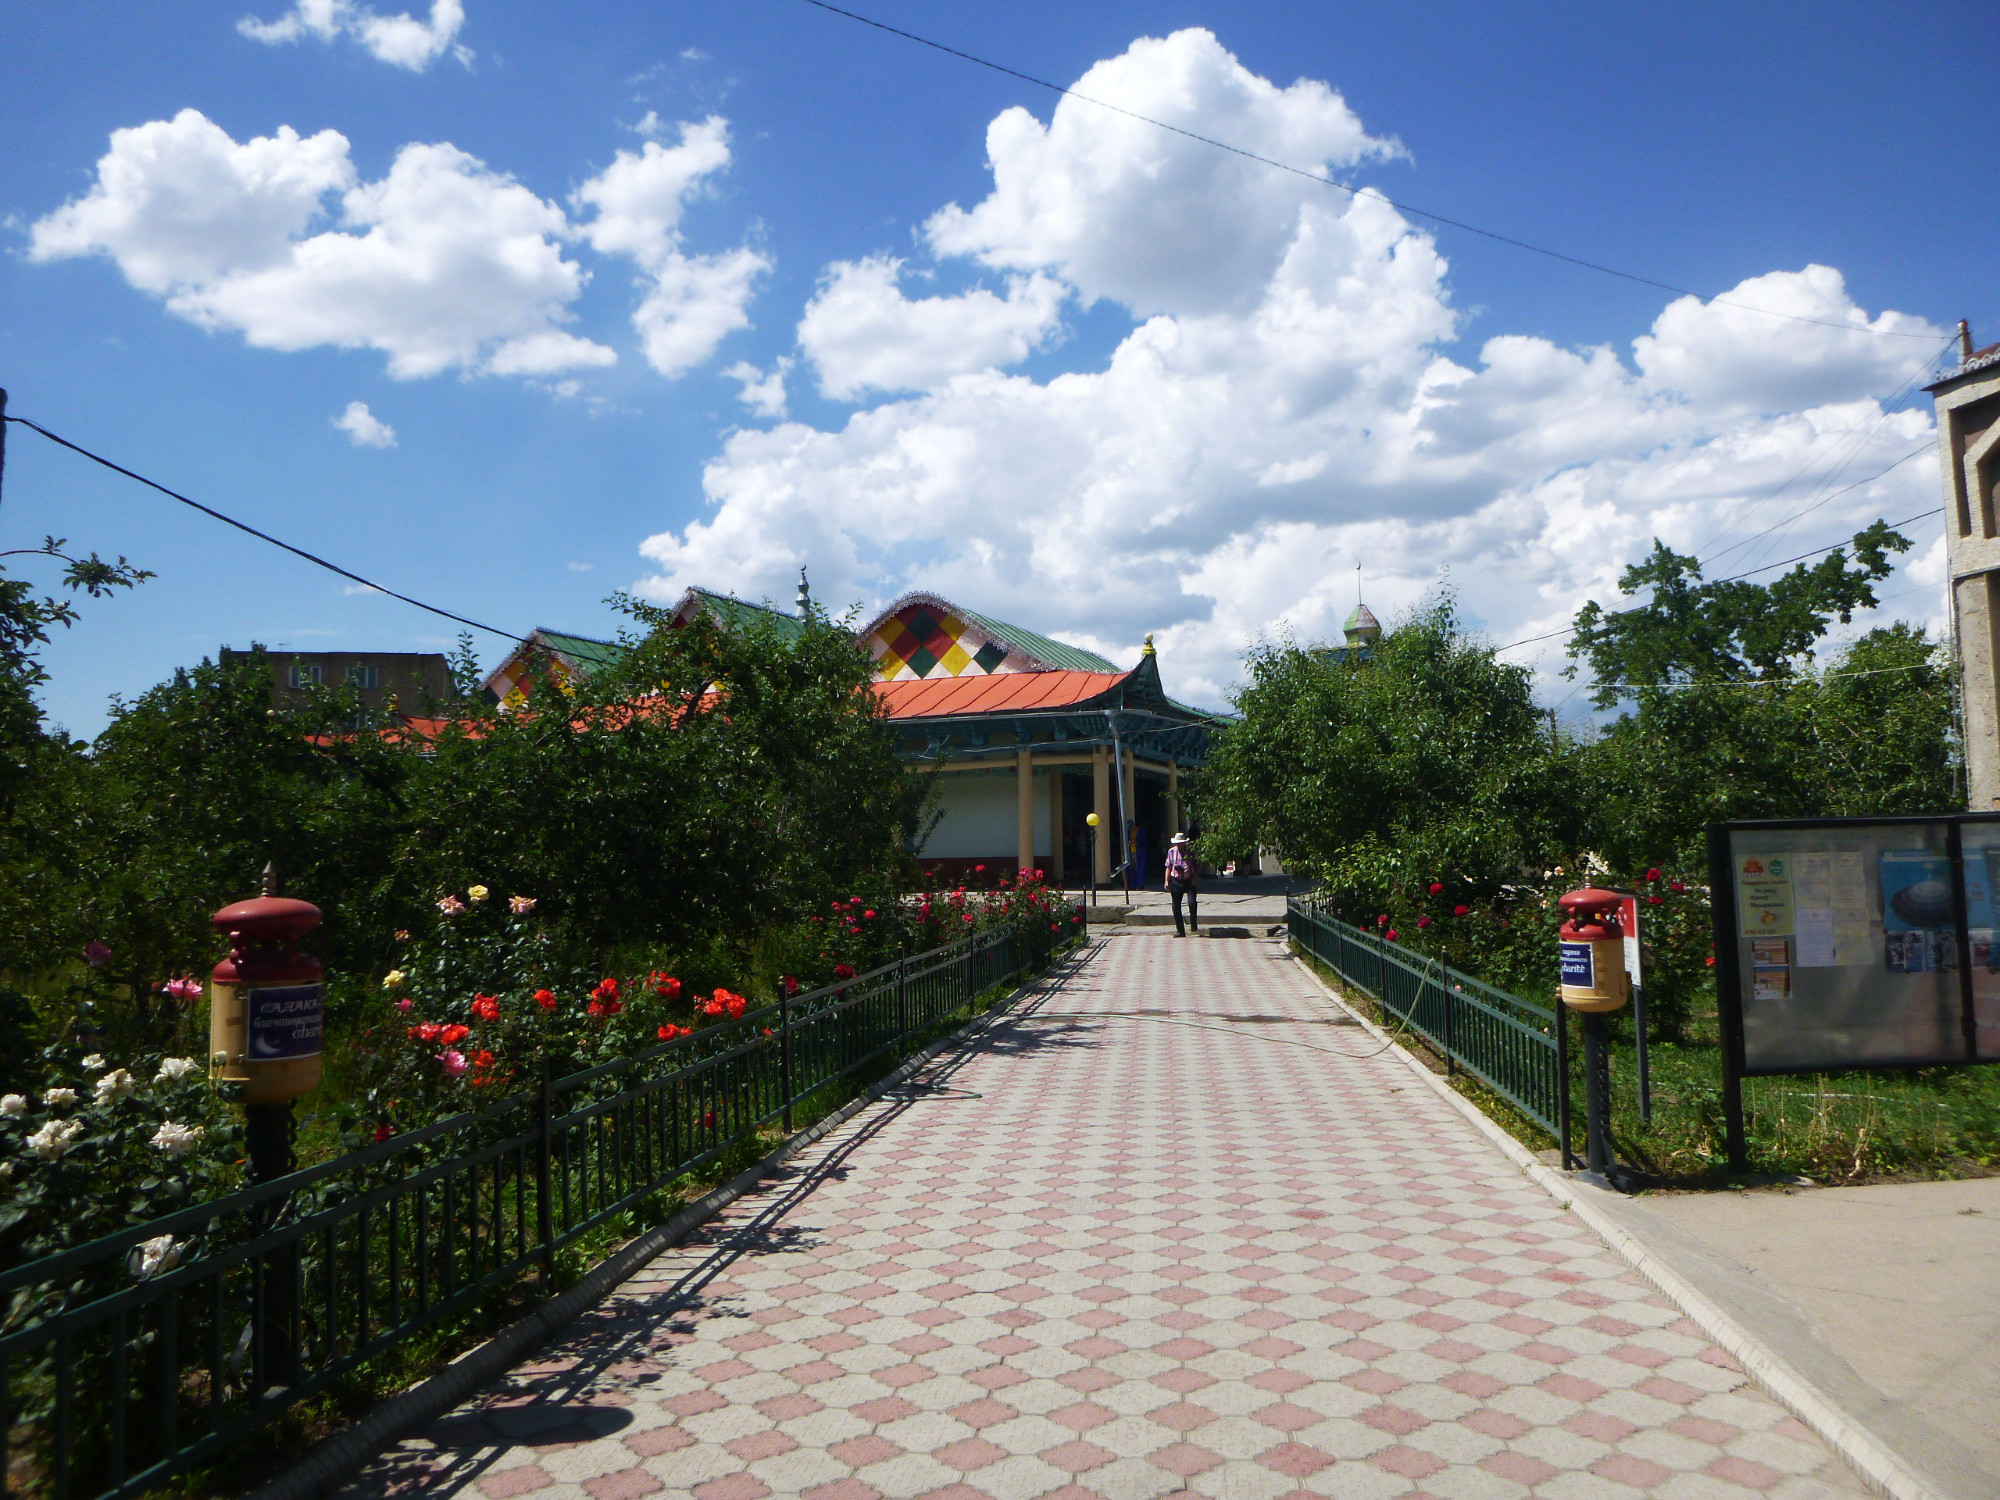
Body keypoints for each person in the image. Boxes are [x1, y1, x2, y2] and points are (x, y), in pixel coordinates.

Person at [1165, 831, 1198, 937]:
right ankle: (1180, 930)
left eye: (1181, 843)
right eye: (1177, 843)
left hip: (1189, 880)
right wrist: (1167, 880)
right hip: (1176, 880)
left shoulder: (1191, 852)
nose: (1179, 845)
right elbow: (1168, 867)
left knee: (1192, 903)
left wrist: (1195, 877)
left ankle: (1193, 923)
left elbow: (1198, 864)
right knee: (1176, 906)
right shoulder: (1171, 852)